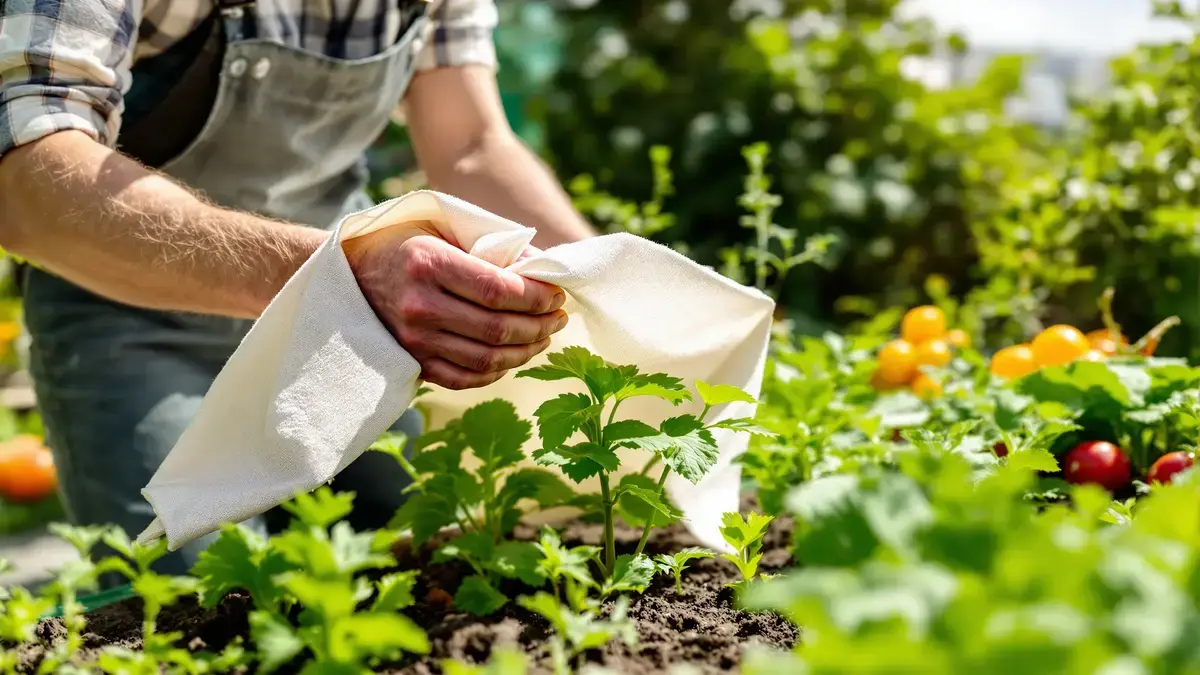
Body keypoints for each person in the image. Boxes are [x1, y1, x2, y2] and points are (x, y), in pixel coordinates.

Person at [0, 0, 595, 580]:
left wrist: (623, 282)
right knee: (191, 592)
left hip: (349, 328)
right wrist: (342, 272)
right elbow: (28, 177)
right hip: (131, 318)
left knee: (426, 557)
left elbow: (471, 145)